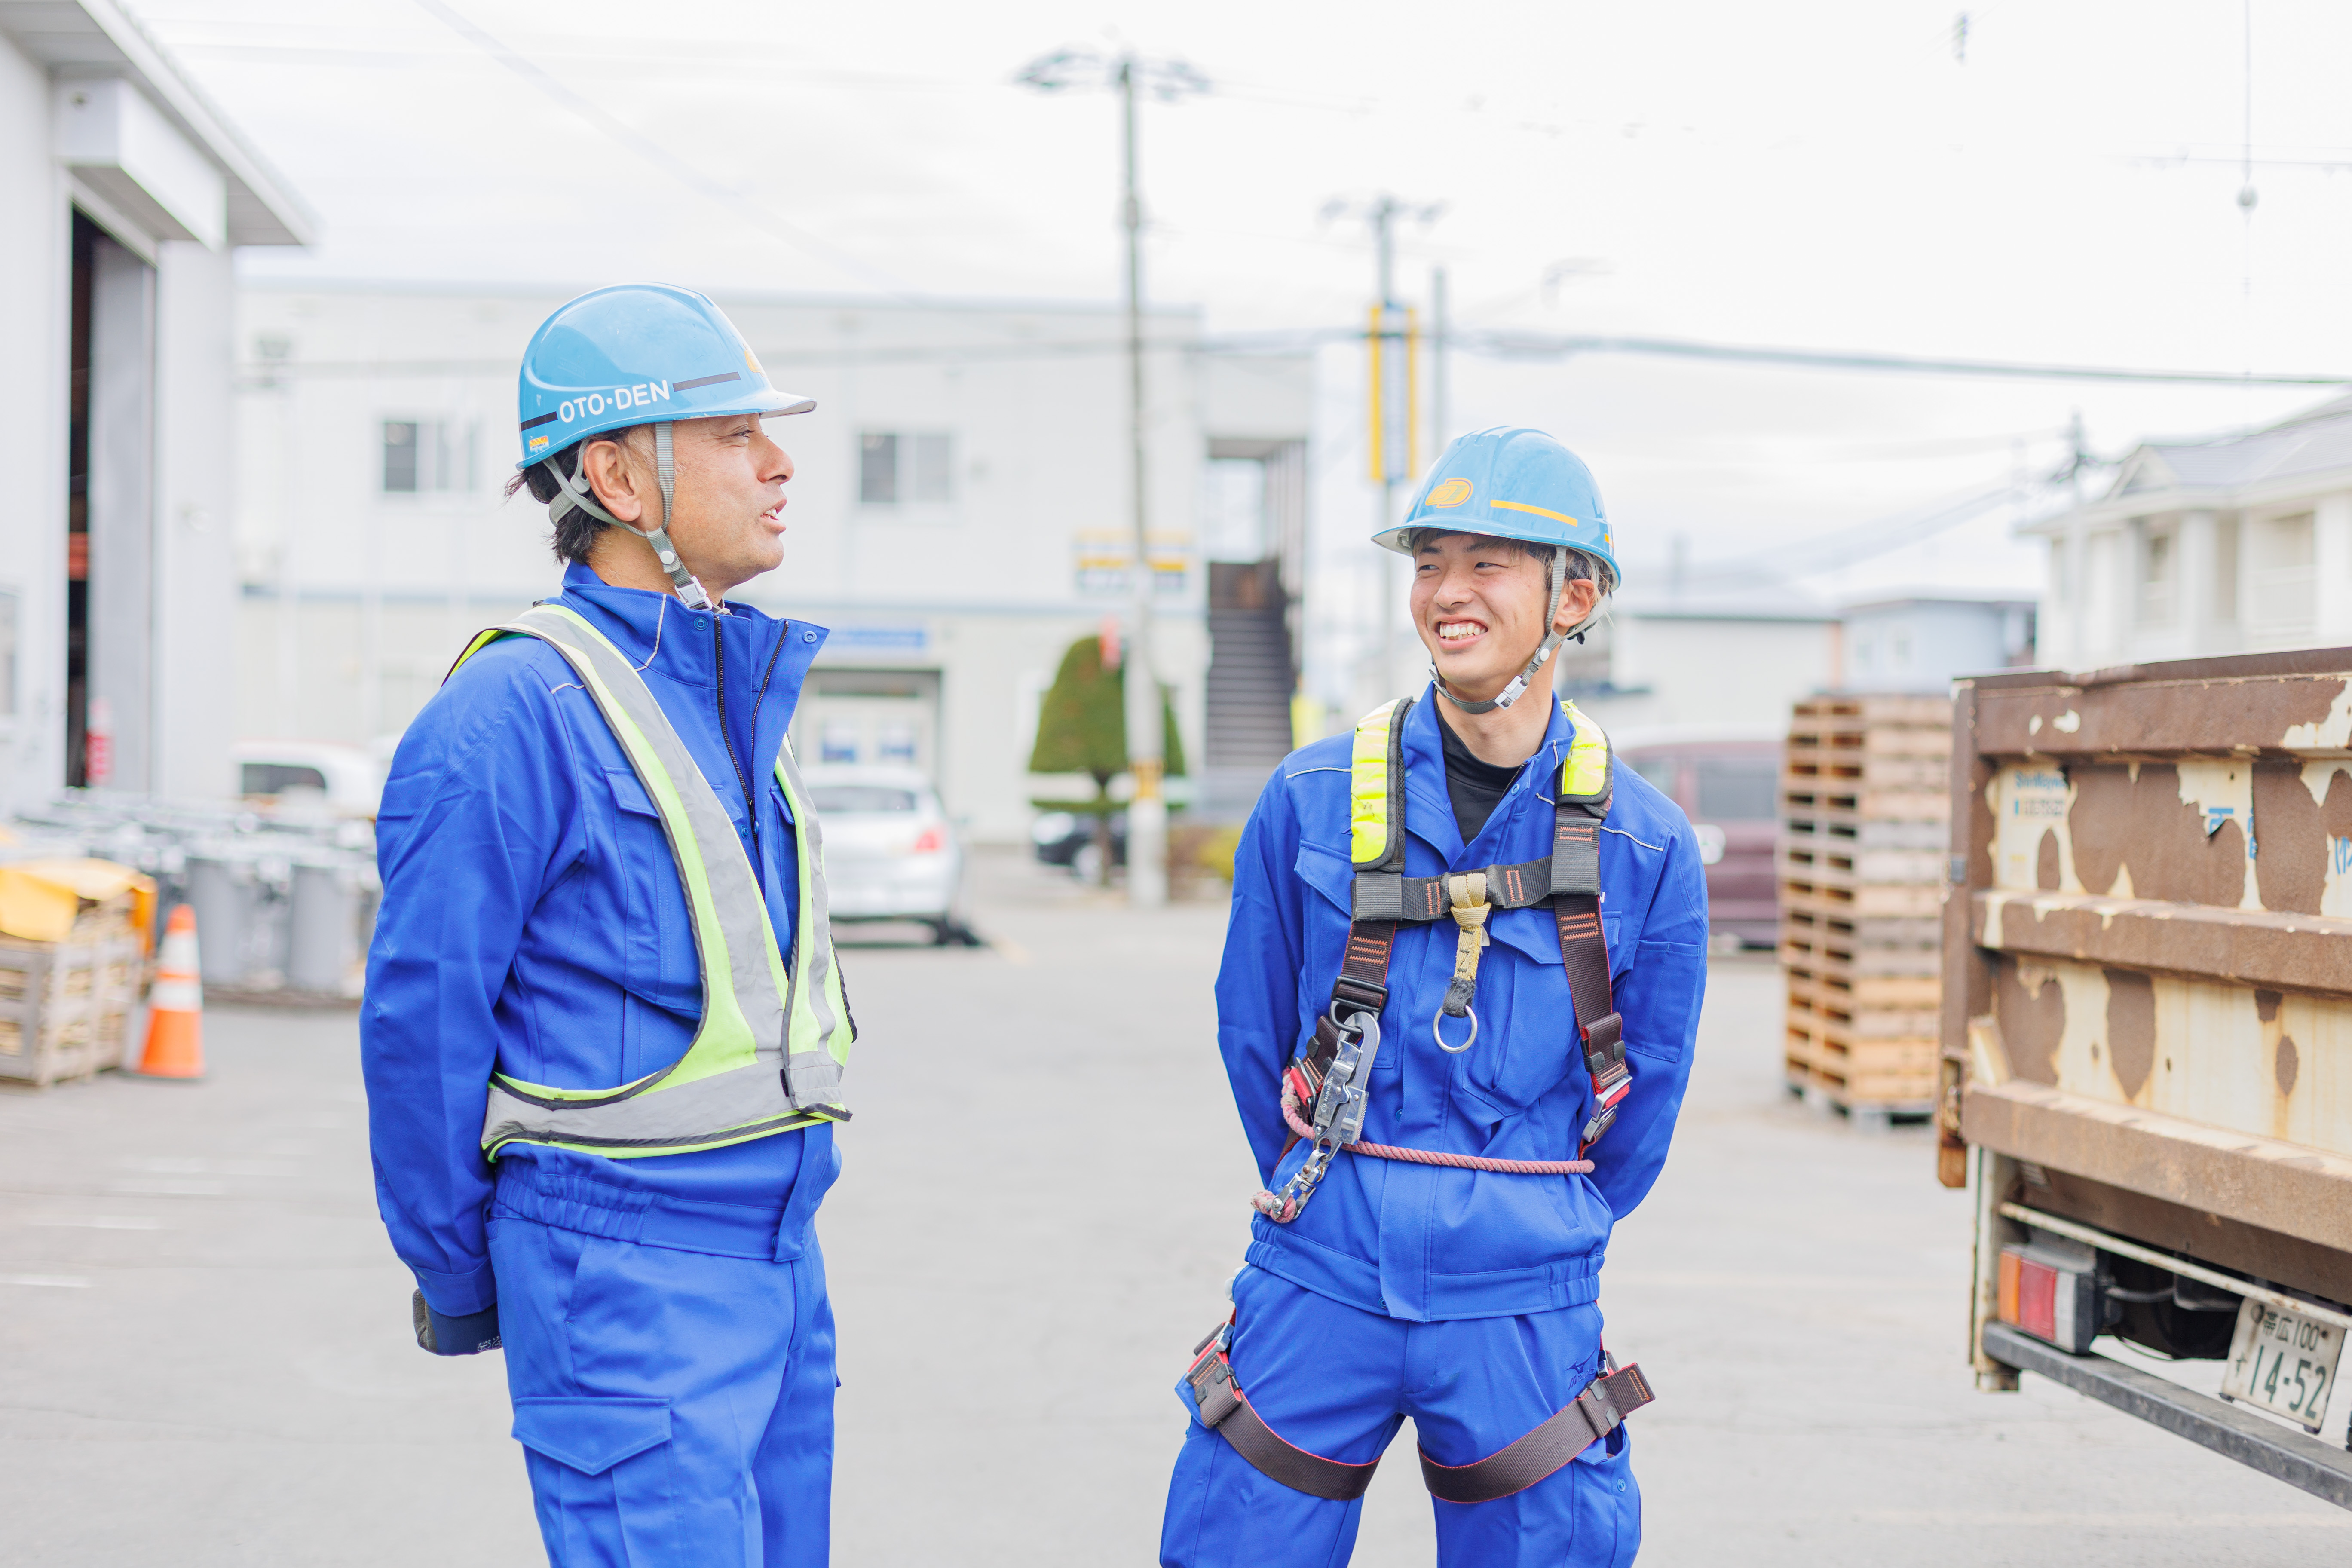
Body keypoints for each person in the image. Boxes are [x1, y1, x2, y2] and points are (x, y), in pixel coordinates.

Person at [361, 282, 854, 1568]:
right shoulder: (511, 713)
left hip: (780, 1263)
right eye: (736, 434)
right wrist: (468, 1274)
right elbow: (422, 1031)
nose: (780, 463)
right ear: (620, 480)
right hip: (623, 1277)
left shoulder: (726, 692)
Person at [1160, 427, 1708, 1567]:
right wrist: (1332, 1194)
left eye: (1487, 563)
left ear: (1575, 596)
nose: (1447, 592)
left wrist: (1534, 1225)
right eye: (1428, 563)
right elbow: (1251, 1029)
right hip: (1323, 1268)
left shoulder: (1645, 845)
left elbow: (1646, 1098)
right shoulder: (1310, 798)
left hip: (1523, 1290)